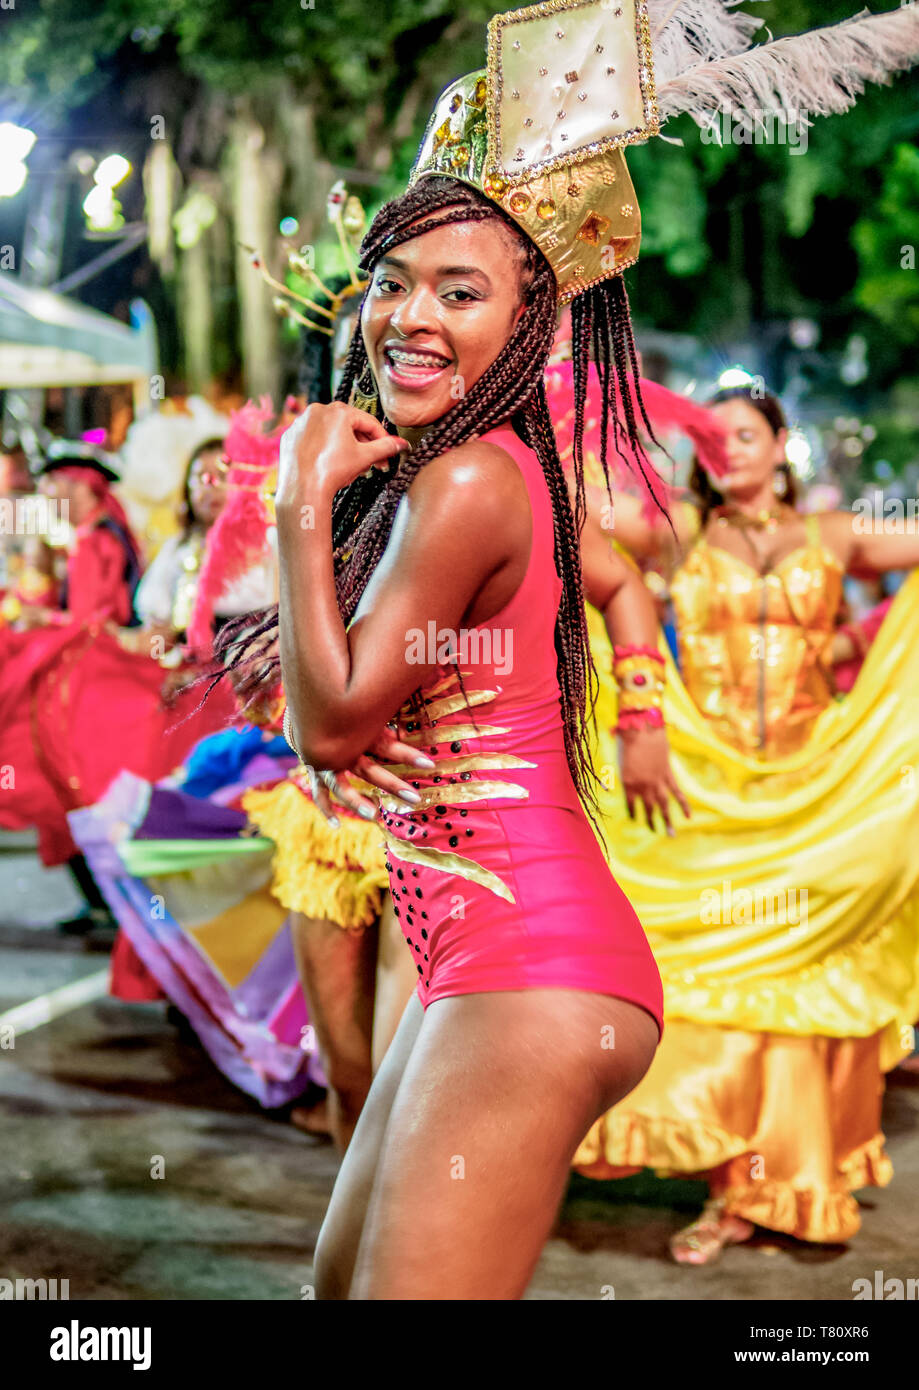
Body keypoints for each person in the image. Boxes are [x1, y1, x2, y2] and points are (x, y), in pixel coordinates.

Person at [572, 383, 919, 1261]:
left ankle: (786, 1179)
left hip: (815, 783)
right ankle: (729, 1178)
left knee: (796, 984)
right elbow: (568, 512)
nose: (729, 450)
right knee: (718, 977)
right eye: (711, 437)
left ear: (779, 445)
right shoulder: (673, 530)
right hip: (708, 786)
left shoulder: (834, 537)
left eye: (745, 434)